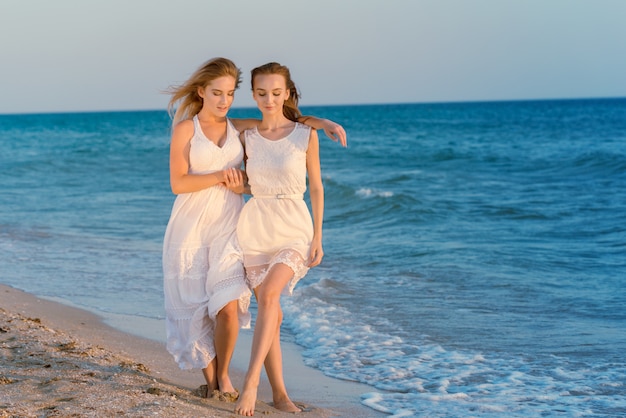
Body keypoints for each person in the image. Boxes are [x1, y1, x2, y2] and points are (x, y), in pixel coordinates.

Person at [162, 58, 345, 400]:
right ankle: (220, 382)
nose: (223, 101)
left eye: (230, 94)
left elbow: (281, 120)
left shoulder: (239, 127)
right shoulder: (194, 129)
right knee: (197, 304)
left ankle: (236, 380)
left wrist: (320, 121)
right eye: (217, 93)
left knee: (229, 307)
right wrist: (225, 178)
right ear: (201, 91)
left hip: (234, 224)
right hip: (199, 225)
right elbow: (178, 182)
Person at [234, 62, 327, 416]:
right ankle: (280, 395)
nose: (269, 99)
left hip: (294, 227)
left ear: (287, 92)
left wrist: (318, 235)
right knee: (270, 313)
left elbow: (316, 187)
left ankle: (250, 384)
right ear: (254, 94)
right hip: (256, 227)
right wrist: (233, 184)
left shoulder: (306, 135)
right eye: (261, 93)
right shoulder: (248, 135)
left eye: (276, 92)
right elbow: (248, 182)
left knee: (270, 296)